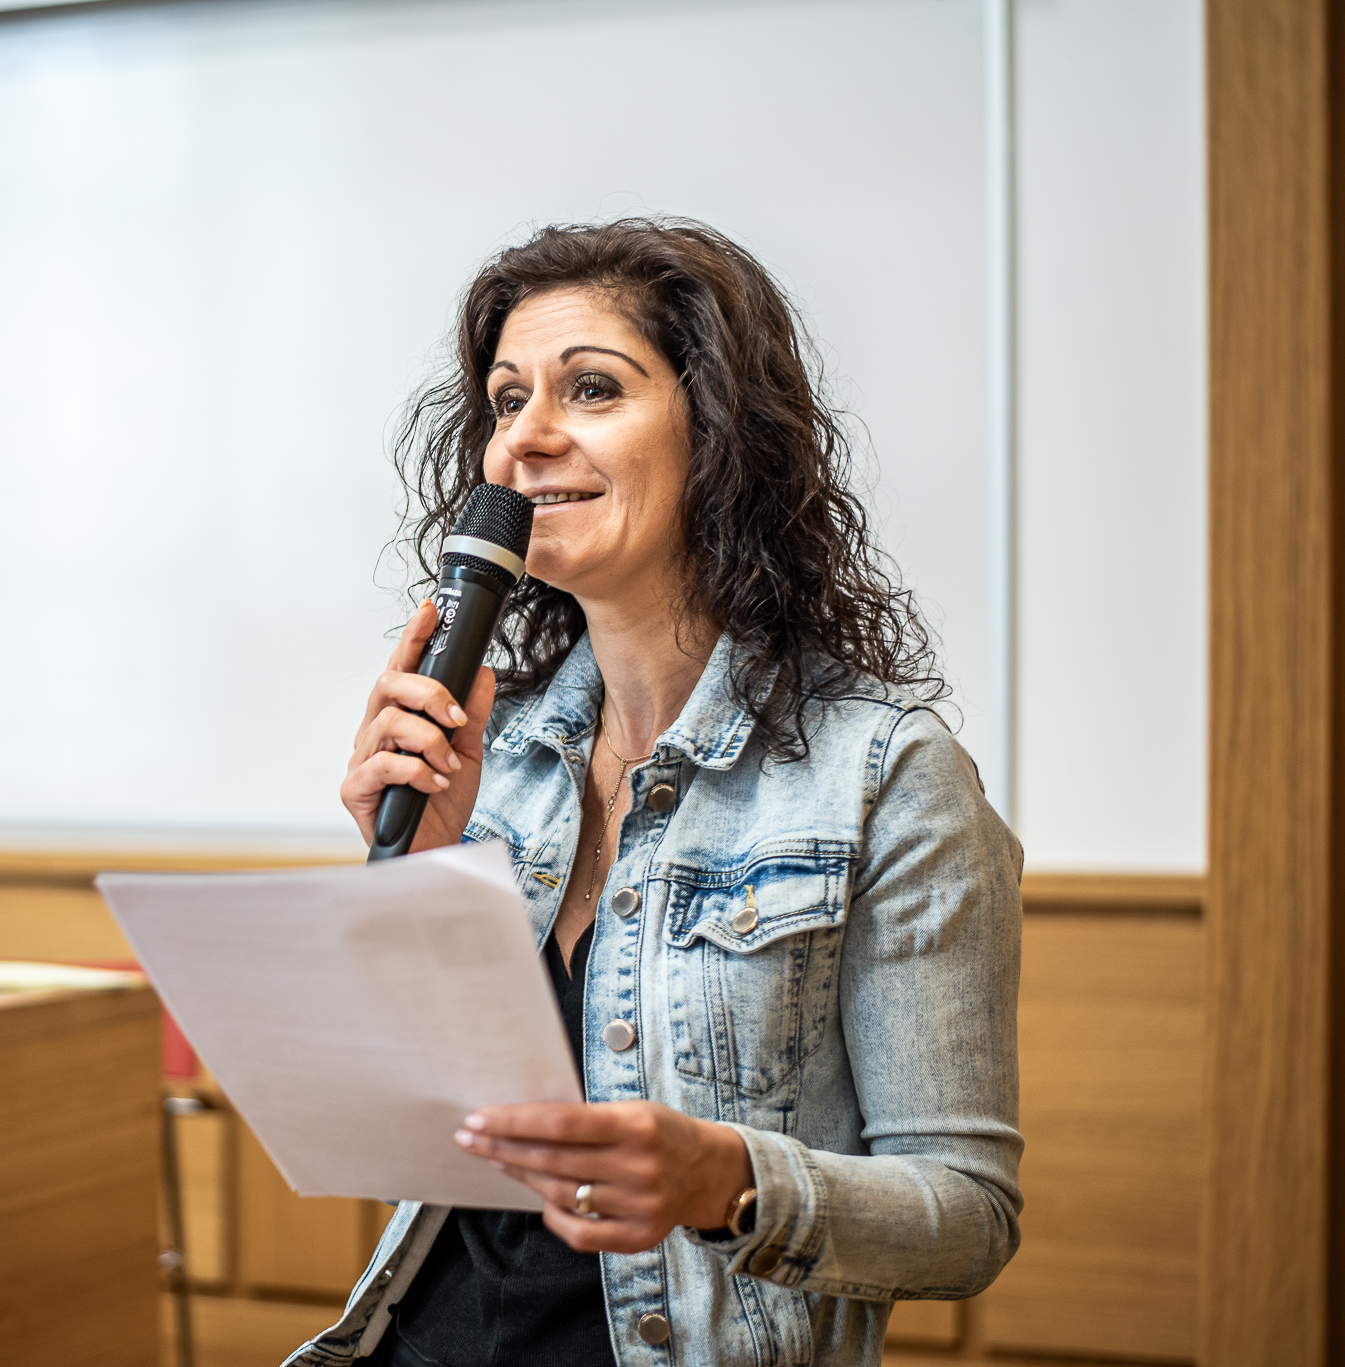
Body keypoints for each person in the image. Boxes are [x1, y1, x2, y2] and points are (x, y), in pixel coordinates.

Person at [292, 219, 1023, 1367]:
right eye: (502, 399)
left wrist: (727, 1181)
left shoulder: (883, 776)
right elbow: (428, 1140)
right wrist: (415, 877)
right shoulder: (500, 748)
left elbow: (968, 1214)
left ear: (717, 432)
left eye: (589, 389)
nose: (524, 439)